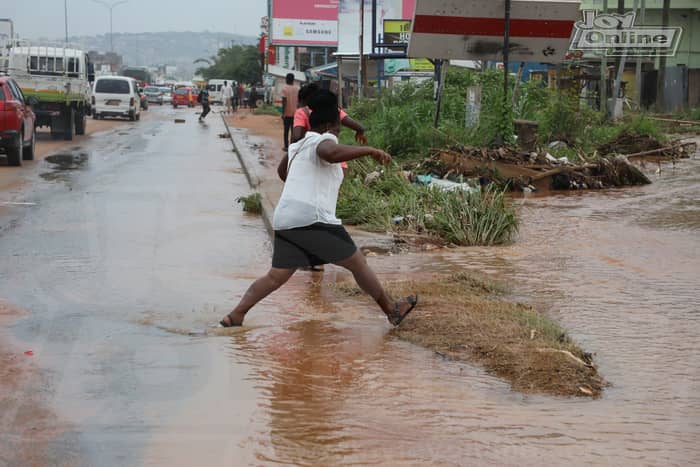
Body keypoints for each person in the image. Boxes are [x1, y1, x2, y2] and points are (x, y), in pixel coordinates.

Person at [219, 90, 417, 328]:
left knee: (275, 276)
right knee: (357, 263)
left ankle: (236, 314)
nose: (339, 132)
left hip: (286, 217)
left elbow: (283, 173)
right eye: (338, 127)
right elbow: (329, 153)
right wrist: (370, 150)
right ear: (329, 125)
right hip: (312, 217)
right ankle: (392, 310)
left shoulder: (298, 145)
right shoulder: (325, 140)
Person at [291, 83, 367, 145]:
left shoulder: (301, 112)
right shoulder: (333, 109)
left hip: (311, 158)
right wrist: (360, 133)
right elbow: (359, 127)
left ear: (304, 100)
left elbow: (297, 137)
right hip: (334, 157)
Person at [280, 73, 299, 151]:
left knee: (286, 131)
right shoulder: (297, 89)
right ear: (293, 80)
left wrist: (283, 113)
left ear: (286, 79)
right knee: (293, 131)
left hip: (287, 114)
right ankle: (292, 146)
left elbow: (284, 102)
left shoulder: (284, 89)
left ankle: (286, 146)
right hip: (295, 113)